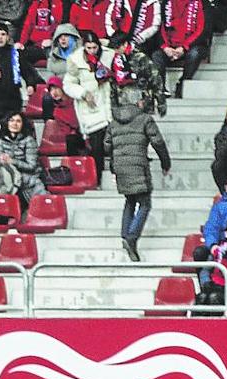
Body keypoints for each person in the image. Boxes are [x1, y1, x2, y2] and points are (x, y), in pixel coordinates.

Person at [104, 88, 172, 261]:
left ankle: (125, 235)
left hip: (120, 167)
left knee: (130, 200)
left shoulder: (114, 122)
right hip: (138, 165)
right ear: (137, 102)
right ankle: (131, 237)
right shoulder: (144, 119)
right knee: (145, 203)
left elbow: (107, 146)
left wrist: (113, 166)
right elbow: (158, 142)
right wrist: (166, 163)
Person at [62, 29, 115, 186]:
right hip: (91, 108)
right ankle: (96, 180)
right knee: (96, 147)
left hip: (110, 104)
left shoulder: (109, 56)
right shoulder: (75, 60)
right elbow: (68, 84)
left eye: (94, 47)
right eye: (88, 48)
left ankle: (116, 178)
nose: (92, 51)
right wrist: (83, 93)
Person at [151, 0, 210, 98]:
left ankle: (182, 84)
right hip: (170, 47)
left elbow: (202, 29)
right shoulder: (165, 3)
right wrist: (165, 47)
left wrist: (184, 47)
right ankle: (160, 89)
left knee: (194, 54)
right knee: (156, 56)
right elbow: (159, 26)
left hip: (192, 46)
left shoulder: (202, 3)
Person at [0, 112, 47, 205]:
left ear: (23, 124)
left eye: (18, 121)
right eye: (11, 121)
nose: (15, 124)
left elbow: (31, 166)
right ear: (6, 123)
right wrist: (1, 160)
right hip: (10, 177)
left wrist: (12, 161)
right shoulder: (1, 140)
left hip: (29, 179)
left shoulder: (29, 140)